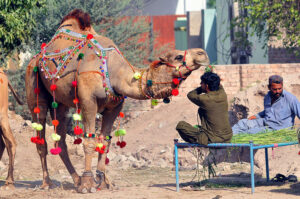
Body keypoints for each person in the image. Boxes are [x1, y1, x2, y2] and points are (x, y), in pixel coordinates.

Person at [176, 72, 232, 145]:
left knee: (181, 125)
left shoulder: (205, 99)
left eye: (202, 83)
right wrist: (206, 85)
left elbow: (190, 95)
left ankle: (199, 141)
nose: (200, 84)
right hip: (227, 137)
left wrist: (202, 89)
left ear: (207, 85)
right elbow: (219, 85)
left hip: (213, 138)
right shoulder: (222, 94)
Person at [232, 75, 300, 134]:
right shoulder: (267, 97)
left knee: (251, 132)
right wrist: (256, 116)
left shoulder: (290, 99)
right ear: (269, 87)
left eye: (279, 89)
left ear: (282, 86)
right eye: (275, 89)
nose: (277, 91)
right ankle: (226, 139)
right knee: (242, 123)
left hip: (277, 130)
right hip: (266, 122)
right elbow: (269, 111)